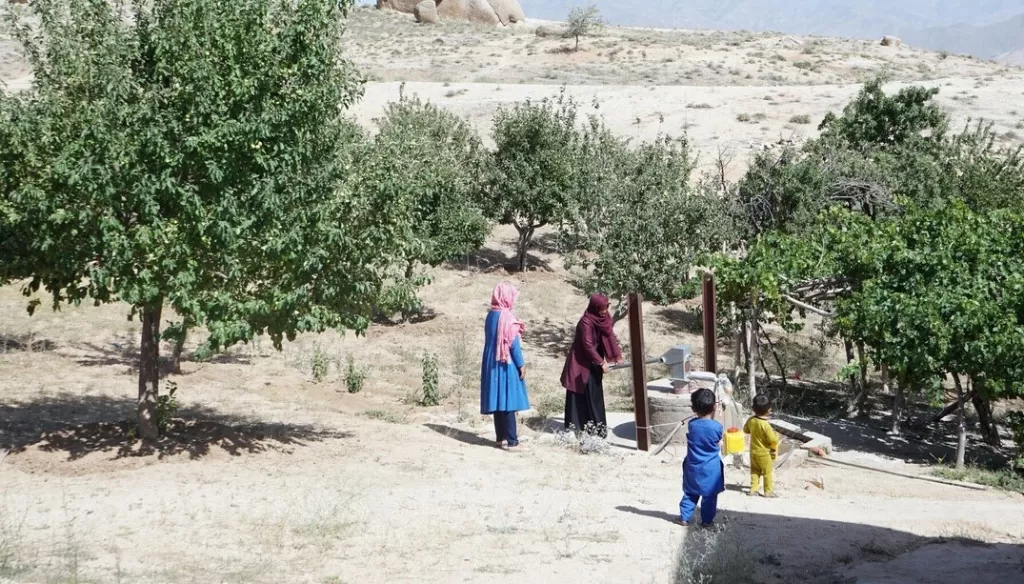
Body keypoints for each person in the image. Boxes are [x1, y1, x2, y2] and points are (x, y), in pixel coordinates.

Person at [560, 294, 623, 438]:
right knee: (582, 393)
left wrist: (616, 356)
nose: (605, 310)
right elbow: (587, 345)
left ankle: (597, 428)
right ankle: (580, 427)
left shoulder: (604, 318)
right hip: (582, 362)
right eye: (601, 308)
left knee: (594, 394)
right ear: (594, 308)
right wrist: (601, 362)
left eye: (606, 307)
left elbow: (609, 335)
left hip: (594, 360)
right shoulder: (586, 322)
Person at [480, 282, 530, 452]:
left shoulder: (490, 315)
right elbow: (513, 345)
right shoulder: (507, 318)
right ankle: (513, 442)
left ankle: (500, 438)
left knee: (498, 398)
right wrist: (521, 364)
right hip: (505, 361)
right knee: (508, 400)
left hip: (491, 361)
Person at [679, 388, 725, 527]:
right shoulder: (717, 427)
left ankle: (684, 518)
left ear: (693, 408)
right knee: (709, 497)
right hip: (711, 468)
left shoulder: (692, 425)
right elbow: (717, 441)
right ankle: (706, 521)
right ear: (714, 406)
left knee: (689, 493)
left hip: (692, 466)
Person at [744, 394, 781, 497]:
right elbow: (772, 440)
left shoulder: (751, 420)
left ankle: (753, 489)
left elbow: (745, 430)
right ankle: (768, 491)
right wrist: (777, 437)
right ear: (769, 410)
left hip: (753, 452)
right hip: (764, 453)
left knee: (754, 471)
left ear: (753, 408)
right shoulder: (766, 425)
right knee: (767, 472)